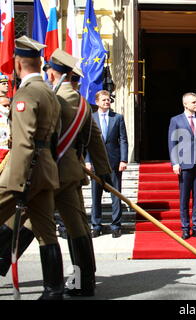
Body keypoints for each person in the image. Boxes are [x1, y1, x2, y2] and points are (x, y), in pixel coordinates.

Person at [0, 49, 112, 297]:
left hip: (45, 169)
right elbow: (95, 139)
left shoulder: (54, 98)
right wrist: (104, 171)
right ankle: (84, 282)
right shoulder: (84, 104)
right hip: (69, 172)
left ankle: (6, 263)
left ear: (54, 72)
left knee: (30, 220)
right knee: (75, 226)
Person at [0, 36, 63, 300]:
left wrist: (17, 182)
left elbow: (24, 143)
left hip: (25, 171)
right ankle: (54, 289)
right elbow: (55, 137)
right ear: (39, 63)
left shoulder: (26, 94)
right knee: (46, 231)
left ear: (17, 63)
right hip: (46, 170)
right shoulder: (50, 92)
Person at [168, 92, 196, 240]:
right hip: (184, 164)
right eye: (193, 102)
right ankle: (185, 228)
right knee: (184, 198)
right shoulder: (176, 120)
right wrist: (175, 163)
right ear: (185, 104)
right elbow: (172, 142)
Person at [86, 90, 128, 239]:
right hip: (96, 164)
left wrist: (123, 160)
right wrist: (87, 161)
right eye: (103, 100)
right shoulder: (90, 118)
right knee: (95, 196)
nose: (107, 102)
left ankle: (116, 226)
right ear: (97, 102)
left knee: (116, 195)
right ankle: (96, 226)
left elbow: (123, 139)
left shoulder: (117, 118)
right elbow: (87, 142)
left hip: (114, 162)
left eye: (108, 99)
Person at [0, 97, 11, 166]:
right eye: (4, 105)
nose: (7, 108)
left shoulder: (13, 118)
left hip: (10, 153)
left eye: (9, 105)